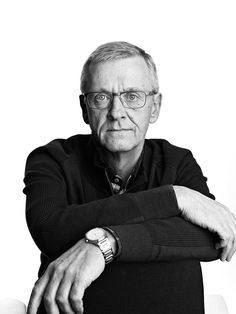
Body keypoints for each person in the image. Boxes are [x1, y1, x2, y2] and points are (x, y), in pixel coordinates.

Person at [23, 41, 236, 314]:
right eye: (101, 97)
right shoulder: (51, 159)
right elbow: (51, 229)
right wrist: (174, 198)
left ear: (155, 106)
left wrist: (108, 243)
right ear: (84, 108)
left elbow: (210, 240)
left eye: (133, 96)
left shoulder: (177, 161)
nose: (116, 112)